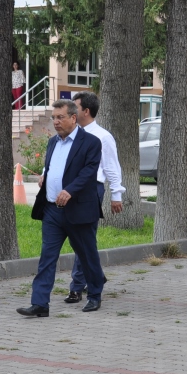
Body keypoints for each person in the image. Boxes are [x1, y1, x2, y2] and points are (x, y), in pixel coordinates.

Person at [16, 99, 106, 317]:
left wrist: (70, 190)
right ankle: (40, 304)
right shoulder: (52, 142)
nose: (55, 122)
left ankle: (94, 294)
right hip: (52, 210)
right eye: (53, 118)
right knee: (47, 257)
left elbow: (89, 171)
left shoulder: (91, 142)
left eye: (60, 117)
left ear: (73, 118)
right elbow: (54, 167)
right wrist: (45, 177)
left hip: (79, 210)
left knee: (87, 255)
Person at [63, 91, 124, 304]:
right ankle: (96, 275)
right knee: (77, 239)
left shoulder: (102, 137)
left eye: (75, 108)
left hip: (91, 190)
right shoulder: (70, 134)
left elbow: (112, 167)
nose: (71, 112)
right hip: (68, 190)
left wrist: (116, 194)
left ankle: (77, 286)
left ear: (86, 111)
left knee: (83, 237)